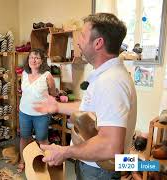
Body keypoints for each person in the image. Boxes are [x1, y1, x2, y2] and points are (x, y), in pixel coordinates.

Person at [34, 13, 137, 179]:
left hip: (99, 171)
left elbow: (110, 146)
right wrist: (58, 106)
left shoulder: (111, 82)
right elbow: (93, 108)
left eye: (82, 35)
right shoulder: (106, 75)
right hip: (93, 165)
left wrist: (65, 152)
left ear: (98, 43)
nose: (78, 41)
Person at [17, 48, 57, 172]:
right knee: (24, 137)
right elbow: (22, 90)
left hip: (41, 114)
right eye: (31, 57)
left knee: (42, 139)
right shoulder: (24, 73)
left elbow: (53, 93)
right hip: (24, 112)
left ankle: (47, 163)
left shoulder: (47, 75)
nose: (33, 60)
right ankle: (23, 160)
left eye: (37, 58)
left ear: (42, 61)